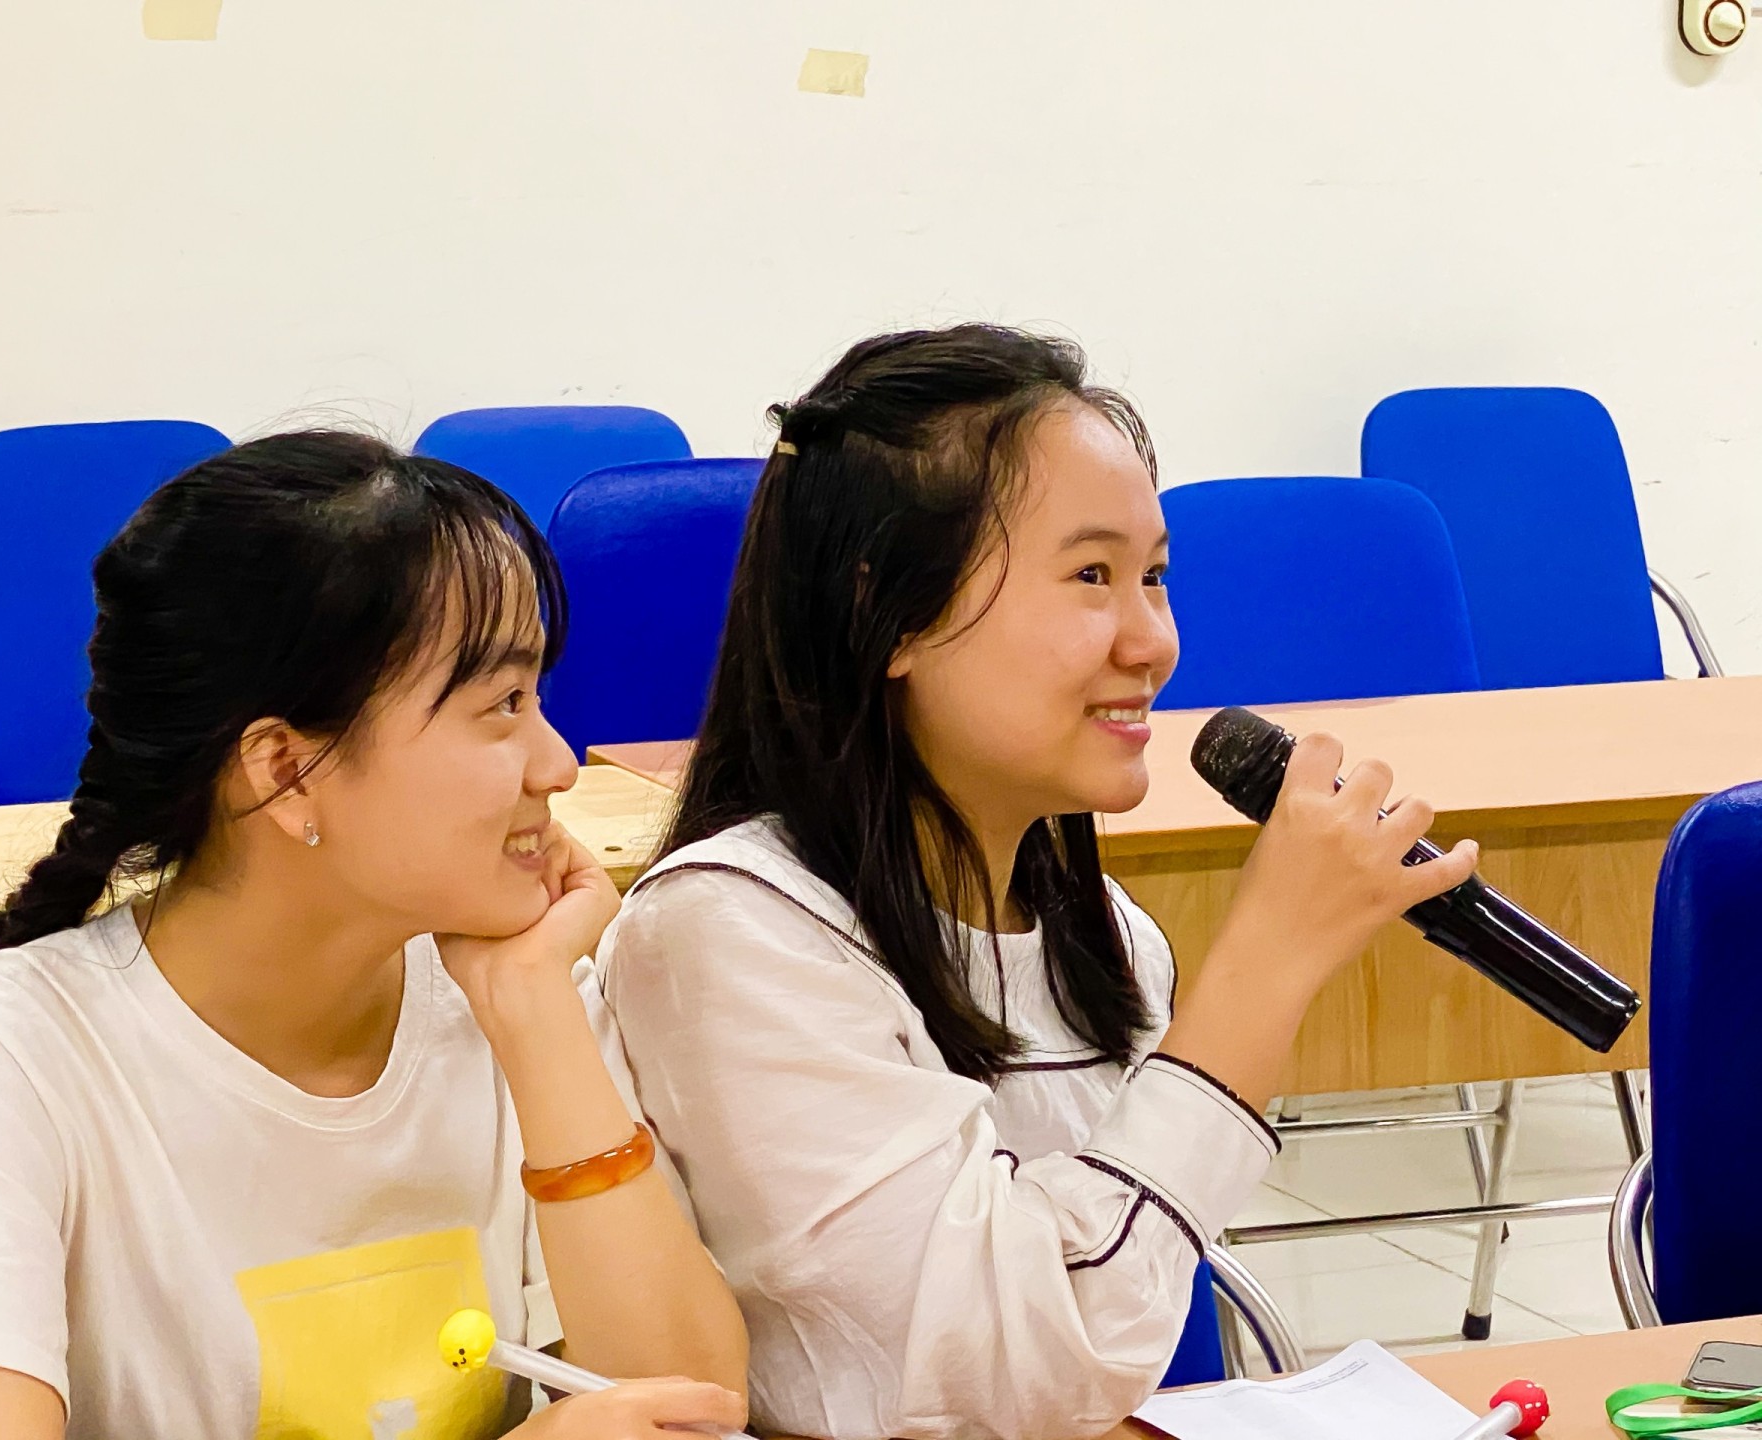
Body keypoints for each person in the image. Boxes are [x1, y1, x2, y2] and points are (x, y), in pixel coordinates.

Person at [595, 326, 1480, 1440]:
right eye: (1091, 577)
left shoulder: (1105, 935)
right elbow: (1002, 1385)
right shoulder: (730, 935)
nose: (1152, 641)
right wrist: (1265, 963)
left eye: (1155, 574)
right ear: (893, 615)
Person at [0, 433, 749, 1440]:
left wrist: (537, 1016)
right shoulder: (2, 1064)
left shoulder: (515, 997)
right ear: (285, 770)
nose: (556, 763)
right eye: (502, 706)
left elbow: (693, 1409)